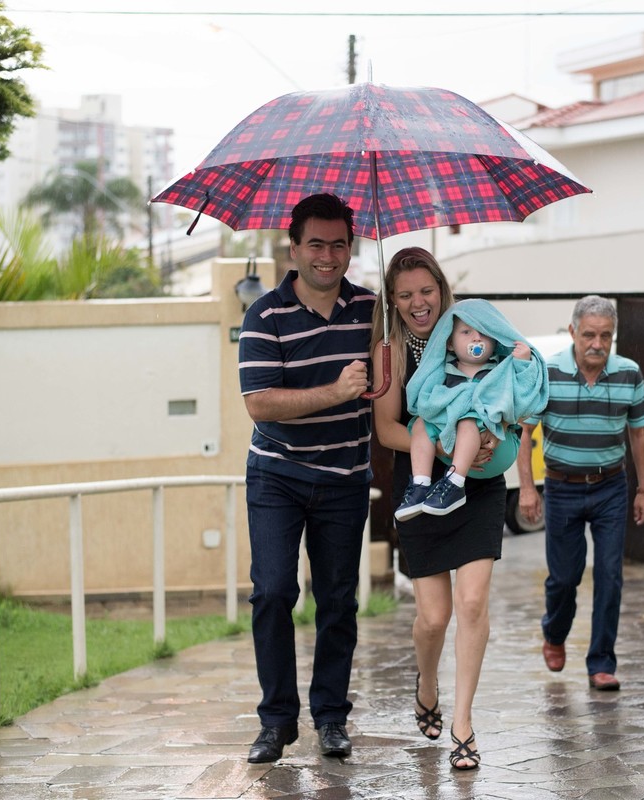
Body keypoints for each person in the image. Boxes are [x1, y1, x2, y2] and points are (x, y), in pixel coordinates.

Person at [371, 250, 539, 771]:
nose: (418, 302)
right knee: (433, 618)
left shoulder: (474, 331)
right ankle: (427, 682)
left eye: (426, 291)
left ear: (441, 289)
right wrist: (447, 448)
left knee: (471, 603)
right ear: (392, 301)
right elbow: (387, 430)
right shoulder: (388, 352)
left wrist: (489, 440)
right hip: (421, 485)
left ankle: (462, 723)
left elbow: (511, 397)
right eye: (405, 295)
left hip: (480, 483)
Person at [238, 193, 375, 764]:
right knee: (273, 592)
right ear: (293, 248)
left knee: (338, 601)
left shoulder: (372, 310)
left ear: (351, 248)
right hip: (279, 475)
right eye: (315, 244)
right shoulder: (264, 314)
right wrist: (337, 392)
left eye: (338, 244)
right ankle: (276, 722)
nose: (327, 256)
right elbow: (260, 403)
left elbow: (409, 371)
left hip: (347, 477)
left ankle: (331, 717)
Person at [516, 294, 644, 693]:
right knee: (564, 578)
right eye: (590, 335)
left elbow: (640, 433)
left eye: (606, 336)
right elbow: (525, 433)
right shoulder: (548, 372)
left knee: (610, 575)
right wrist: (527, 488)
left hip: (611, 487)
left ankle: (601, 662)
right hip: (562, 487)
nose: (598, 344)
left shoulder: (629, 373)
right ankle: (555, 632)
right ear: (573, 331)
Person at [396, 307, 538, 521]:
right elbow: (429, 400)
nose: (476, 338)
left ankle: (454, 483)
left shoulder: (501, 368)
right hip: (454, 443)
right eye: (466, 332)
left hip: (495, 446)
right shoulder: (443, 370)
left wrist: (522, 362)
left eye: (484, 333)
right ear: (450, 343)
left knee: (467, 420)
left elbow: (524, 395)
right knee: (419, 424)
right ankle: (420, 485)